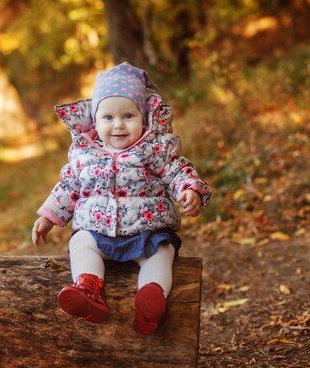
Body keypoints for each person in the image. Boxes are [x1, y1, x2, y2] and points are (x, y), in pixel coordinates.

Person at [31, 62, 211, 335]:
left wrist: (189, 189)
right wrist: (48, 217)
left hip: (147, 231)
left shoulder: (153, 149)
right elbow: (69, 186)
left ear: (144, 117)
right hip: (98, 230)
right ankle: (88, 289)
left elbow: (176, 171)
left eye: (128, 116)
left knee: (163, 252)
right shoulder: (85, 154)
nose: (118, 125)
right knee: (81, 242)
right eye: (108, 118)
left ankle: (152, 296)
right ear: (95, 120)